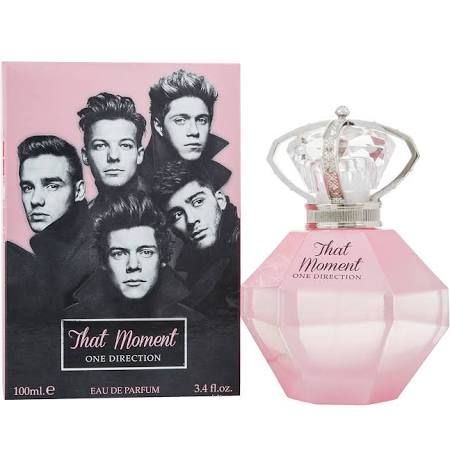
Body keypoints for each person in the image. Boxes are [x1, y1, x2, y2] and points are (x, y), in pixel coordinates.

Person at [68, 191, 198, 319]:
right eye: (119, 253)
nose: (133, 265)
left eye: (146, 252)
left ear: (162, 258)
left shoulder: (194, 323)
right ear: (104, 261)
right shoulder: (70, 321)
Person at [17, 135, 98, 314]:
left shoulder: (95, 258)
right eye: (28, 188)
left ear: (79, 191)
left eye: (52, 186)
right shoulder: (47, 258)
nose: (35, 200)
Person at [151, 160, 239, 318]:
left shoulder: (246, 249)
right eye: (177, 215)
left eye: (198, 202)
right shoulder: (188, 267)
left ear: (220, 201)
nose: (191, 220)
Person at [140, 69, 231, 187]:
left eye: (201, 120)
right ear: (159, 126)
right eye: (180, 120)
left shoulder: (216, 177)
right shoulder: (135, 178)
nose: (194, 131)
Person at [77, 92, 148, 214]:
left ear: (140, 155)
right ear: (85, 156)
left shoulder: (167, 207)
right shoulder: (83, 217)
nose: (113, 156)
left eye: (125, 145)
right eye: (100, 146)